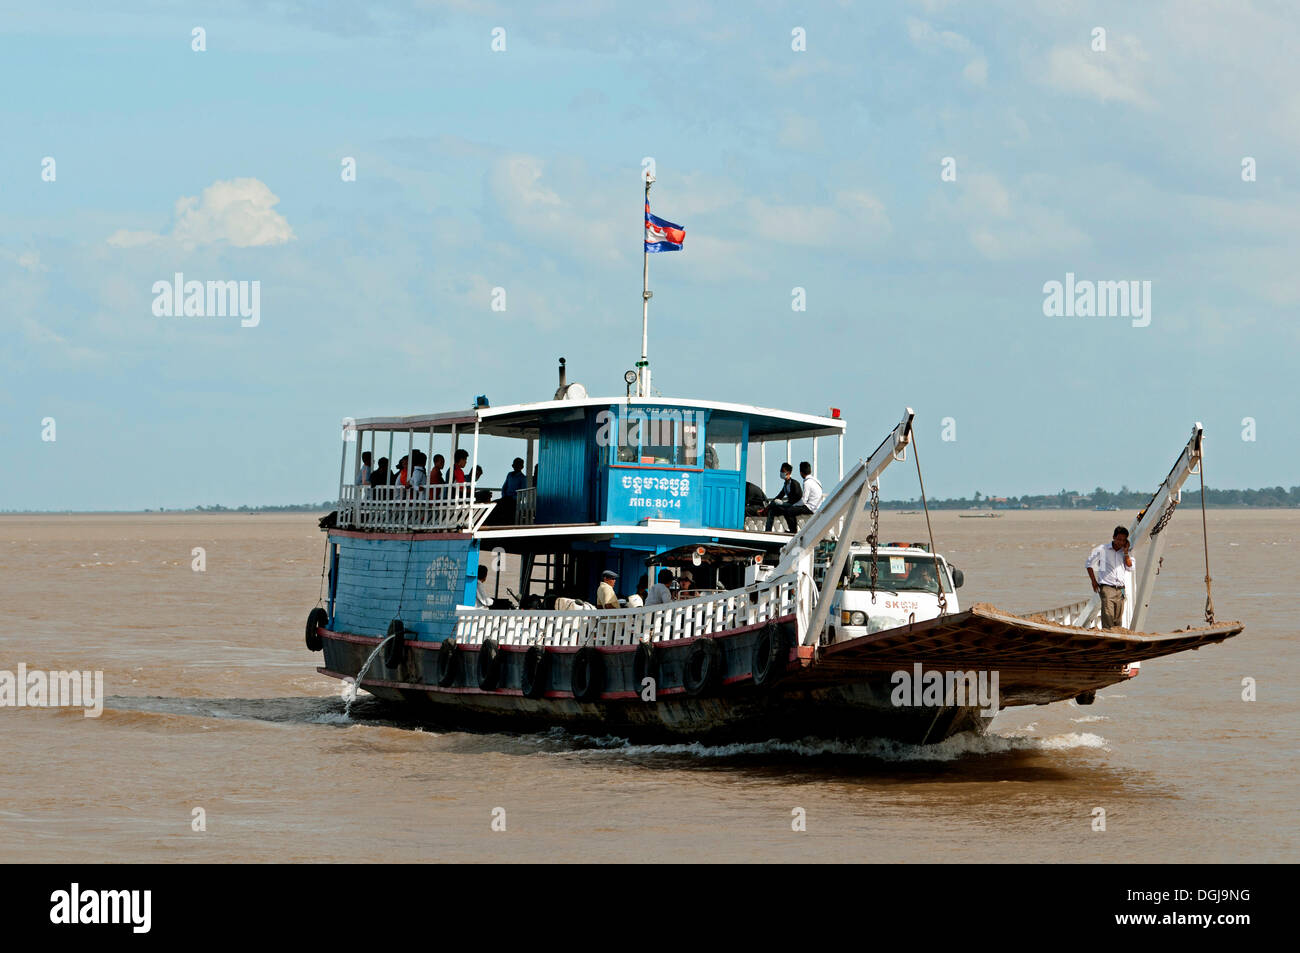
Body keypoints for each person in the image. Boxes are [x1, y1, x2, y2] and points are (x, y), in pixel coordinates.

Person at [1086, 525, 1135, 629]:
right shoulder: (1102, 549)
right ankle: (1108, 635)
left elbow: (1130, 567)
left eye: (1123, 540)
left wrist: (1126, 552)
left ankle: (1116, 639)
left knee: (1118, 619)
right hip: (1107, 588)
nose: (1120, 542)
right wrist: (1093, 581)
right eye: (1118, 539)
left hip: (1120, 589)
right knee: (1108, 616)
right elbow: (1089, 564)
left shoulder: (1126, 552)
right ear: (1113, 537)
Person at [764, 462, 804, 532]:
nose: (781, 473)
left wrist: (787, 503)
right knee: (772, 510)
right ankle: (768, 530)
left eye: (782, 471)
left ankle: (793, 530)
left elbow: (799, 495)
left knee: (778, 504)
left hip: (794, 505)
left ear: (788, 473)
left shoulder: (794, 483)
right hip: (788, 505)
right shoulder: (785, 484)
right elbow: (780, 495)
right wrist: (773, 502)